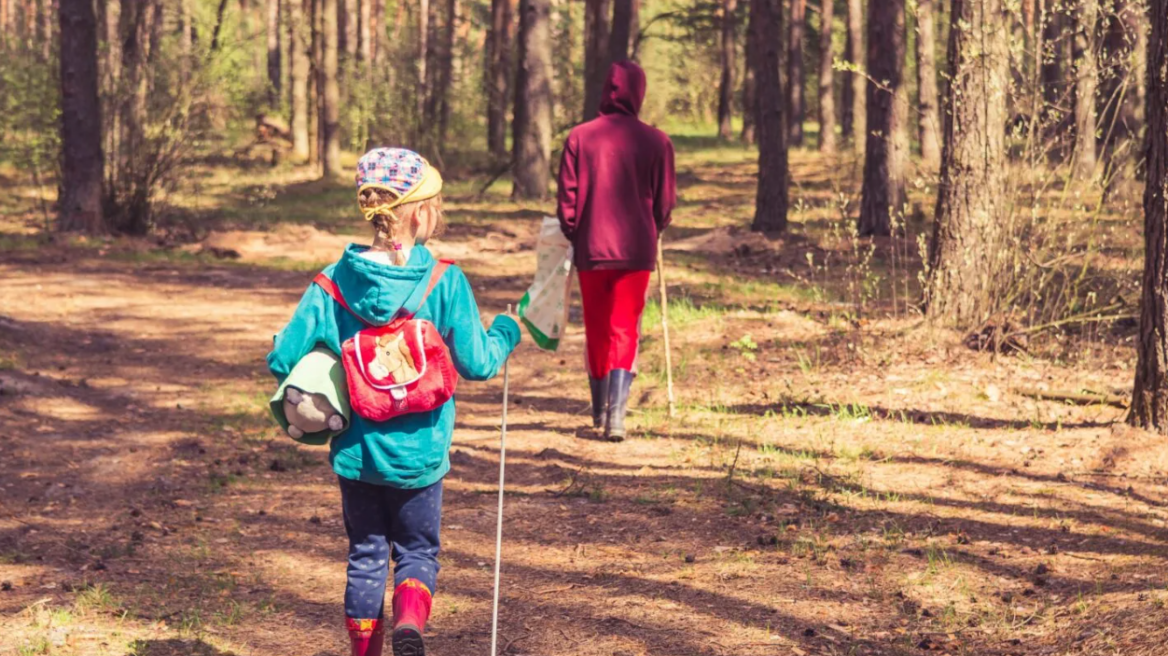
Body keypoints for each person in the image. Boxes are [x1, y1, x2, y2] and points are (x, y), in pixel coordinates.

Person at [267, 148, 521, 656]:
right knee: (418, 551)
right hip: (421, 455)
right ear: (421, 212)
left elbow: (281, 359)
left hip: (357, 457)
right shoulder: (445, 279)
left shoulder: (331, 282)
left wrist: (321, 354)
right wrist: (507, 331)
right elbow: (478, 363)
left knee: (365, 555)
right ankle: (410, 627)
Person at [556, 60, 677, 441]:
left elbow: (567, 201)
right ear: (638, 92)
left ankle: (599, 409)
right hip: (637, 249)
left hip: (592, 247)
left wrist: (577, 232)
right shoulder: (657, 141)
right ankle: (616, 417)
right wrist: (654, 226)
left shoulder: (579, 137)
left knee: (596, 328)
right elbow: (665, 204)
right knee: (625, 328)